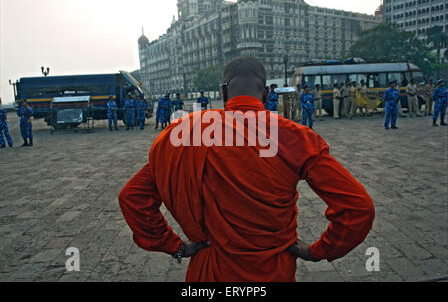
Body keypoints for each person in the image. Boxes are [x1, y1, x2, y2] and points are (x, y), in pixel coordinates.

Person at [118, 55, 375, 282]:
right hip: (273, 270)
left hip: (209, 271)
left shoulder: (186, 134)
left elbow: (132, 198)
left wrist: (176, 246)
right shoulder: (292, 136)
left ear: (224, 91)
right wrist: (317, 251)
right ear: (265, 94)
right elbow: (358, 208)